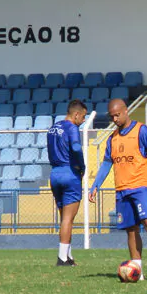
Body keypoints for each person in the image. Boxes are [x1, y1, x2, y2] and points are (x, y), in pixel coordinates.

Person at [89, 99, 147, 277]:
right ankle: (137, 270)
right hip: (122, 190)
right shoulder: (112, 138)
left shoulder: (141, 131)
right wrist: (95, 185)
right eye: (112, 116)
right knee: (131, 229)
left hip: (141, 186)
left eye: (117, 115)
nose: (115, 119)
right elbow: (106, 164)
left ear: (126, 111)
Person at [47, 99, 88, 266]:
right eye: (83, 117)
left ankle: (68, 257)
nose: (84, 120)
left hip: (55, 174)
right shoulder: (72, 128)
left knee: (64, 218)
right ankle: (62, 258)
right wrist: (82, 166)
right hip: (69, 173)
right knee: (68, 219)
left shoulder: (53, 127)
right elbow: (76, 148)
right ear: (76, 114)